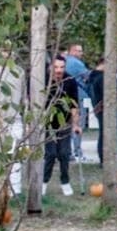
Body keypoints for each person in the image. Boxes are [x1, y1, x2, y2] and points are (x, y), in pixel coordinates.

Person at [42, 55, 80, 196]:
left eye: (62, 67)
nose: (59, 70)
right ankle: (44, 182)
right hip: (47, 124)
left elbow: (74, 105)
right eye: (56, 67)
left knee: (64, 154)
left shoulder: (70, 81)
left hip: (64, 123)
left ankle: (65, 182)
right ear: (50, 67)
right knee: (50, 154)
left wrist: (75, 124)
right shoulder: (43, 80)